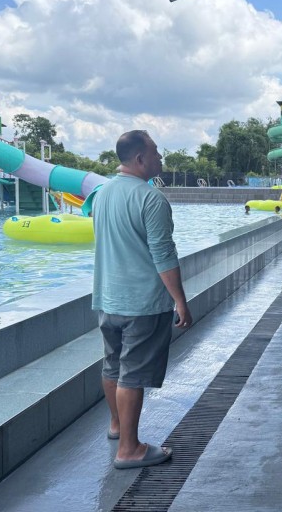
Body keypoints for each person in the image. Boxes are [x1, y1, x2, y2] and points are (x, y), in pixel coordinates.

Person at [92, 130, 193, 470]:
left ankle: (117, 426)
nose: (160, 159)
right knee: (132, 374)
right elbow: (163, 254)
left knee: (113, 365)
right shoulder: (151, 199)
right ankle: (130, 449)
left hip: (107, 298)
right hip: (142, 303)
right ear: (139, 159)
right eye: (156, 153)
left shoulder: (102, 193)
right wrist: (180, 299)